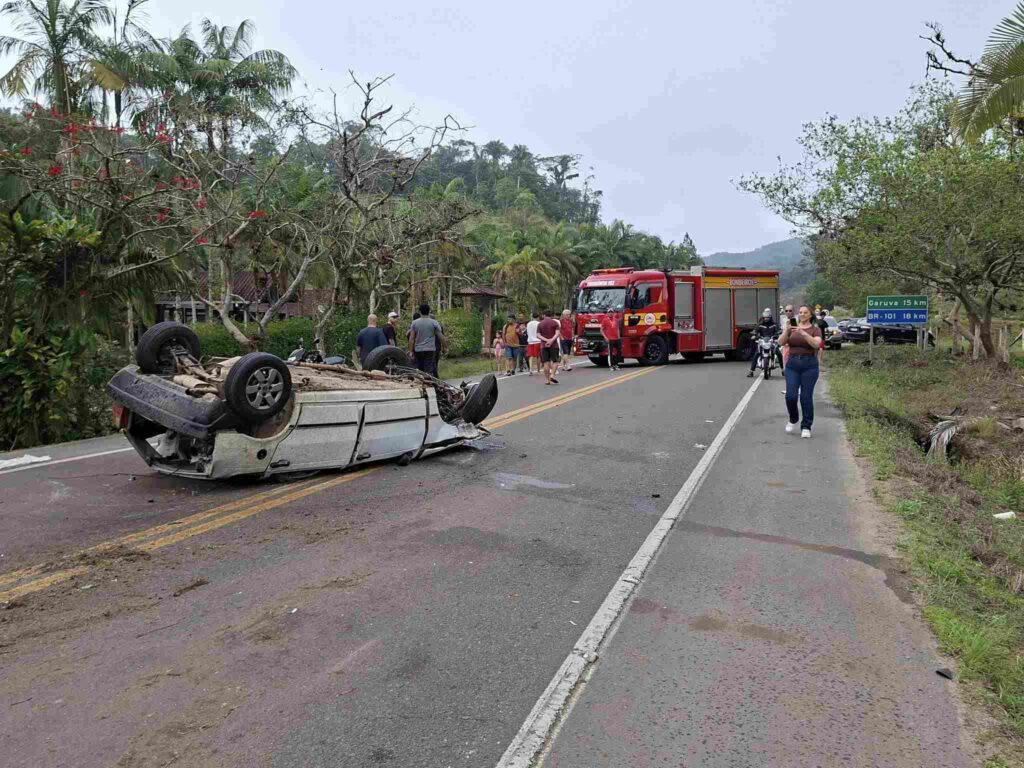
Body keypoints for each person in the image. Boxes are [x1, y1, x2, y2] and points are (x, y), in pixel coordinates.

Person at [778, 305, 822, 438]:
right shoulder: (792, 328)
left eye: (805, 312)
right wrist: (787, 331)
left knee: (806, 397)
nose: (802, 314)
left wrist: (803, 332)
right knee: (790, 396)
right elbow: (780, 342)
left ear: (810, 315)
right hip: (793, 365)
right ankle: (793, 418)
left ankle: (806, 426)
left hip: (809, 366)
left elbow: (816, 344)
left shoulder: (816, 330)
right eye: (800, 312)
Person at [407, 303, 446, 377]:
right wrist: (445, 347)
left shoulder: (414, 323)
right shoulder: (434, 322)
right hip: (430, 350)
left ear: (420, 312)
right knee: (429, 370)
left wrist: (411, 351)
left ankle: (423, 385)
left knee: (420, 369)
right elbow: (441, 336)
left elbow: (411, 338)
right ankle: (428, 384)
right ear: (429, 311)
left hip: (418, 350)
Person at [747, 308, 779, 377]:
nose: (766, 319)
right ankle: (751, 371)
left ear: (770, 316)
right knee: (756, 354)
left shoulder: (774, 324)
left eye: (768, 317)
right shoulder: (760, 324)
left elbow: (778, 331)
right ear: (763, 317)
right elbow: (755, 331)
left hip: (771, 341)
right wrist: (754, 335)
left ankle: (783, 370)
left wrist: (776, 336)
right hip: (762, 341)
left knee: (778, 353)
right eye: (765, 317)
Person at [537, 309, 561, 385]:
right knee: (555, 361)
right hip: (554, 345)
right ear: (552, 315)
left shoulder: (540, 324)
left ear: (544, 315)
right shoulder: (555, 323)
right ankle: (552, 375)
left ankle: (547, 380)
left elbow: (538, 335)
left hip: (543, 345)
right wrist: (551, 340)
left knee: (546, 362)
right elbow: (557, 333)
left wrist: (546, 340)